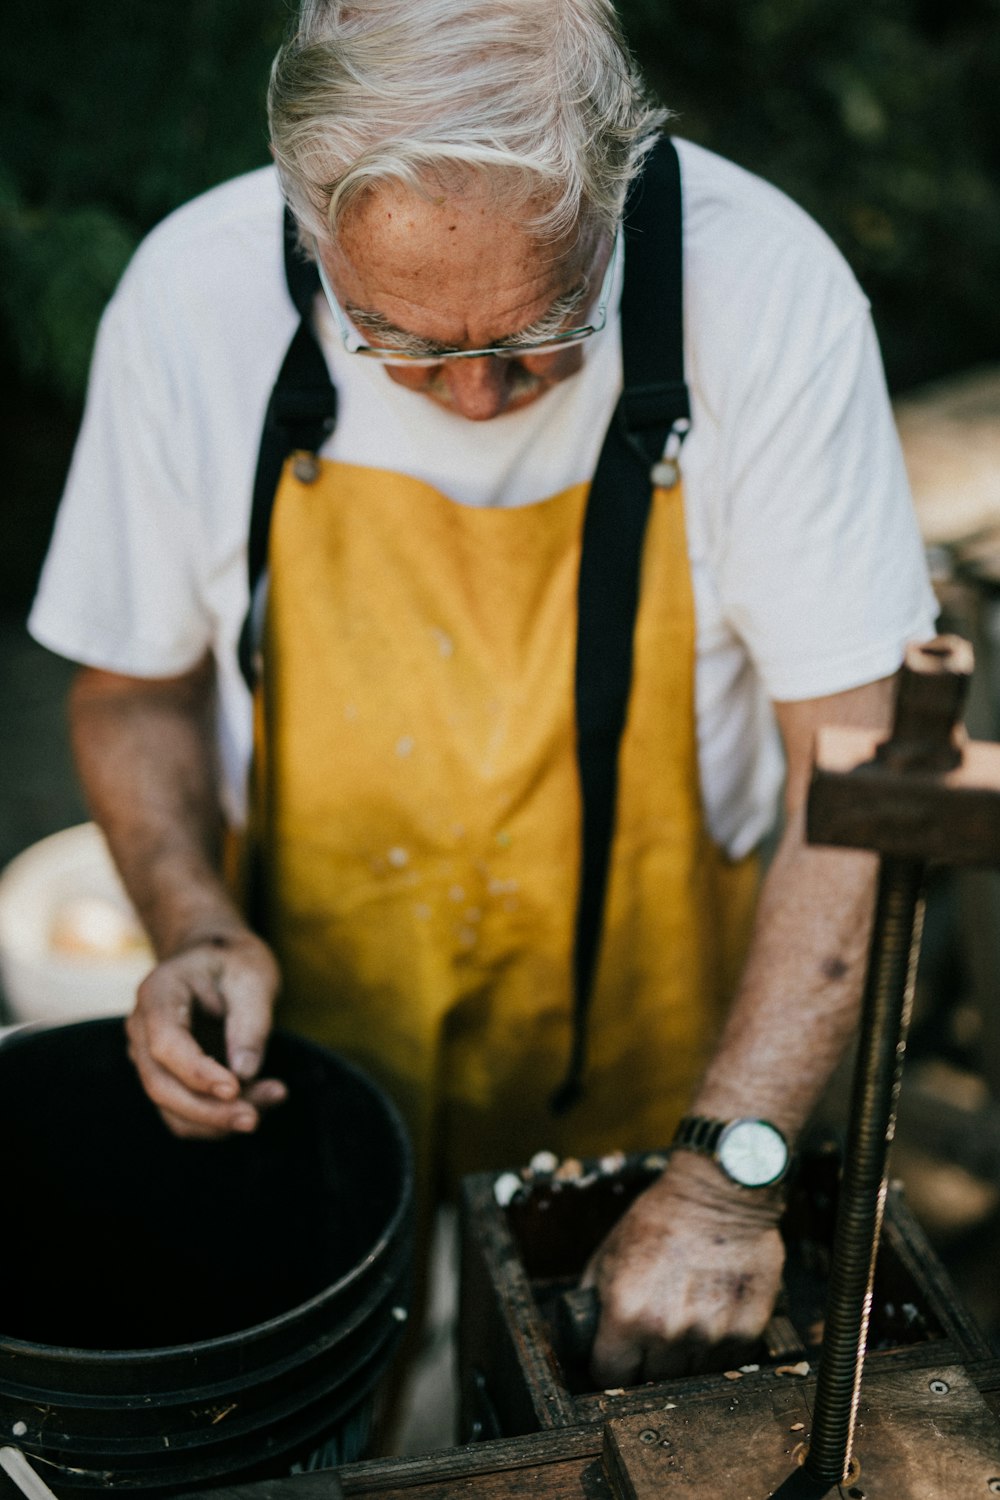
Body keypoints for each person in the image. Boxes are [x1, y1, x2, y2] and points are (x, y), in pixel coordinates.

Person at [31, 0, 937, 1390]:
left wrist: (730, 1175)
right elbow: (132, 692)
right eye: (395, 338)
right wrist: (190, 924)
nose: (468, 393)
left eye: (544, 328)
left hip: (670, 1048)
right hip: (315, 1044)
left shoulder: (768, 295)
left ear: (620, 185)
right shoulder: (190, 298)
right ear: (303, 219)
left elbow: (859, 765)